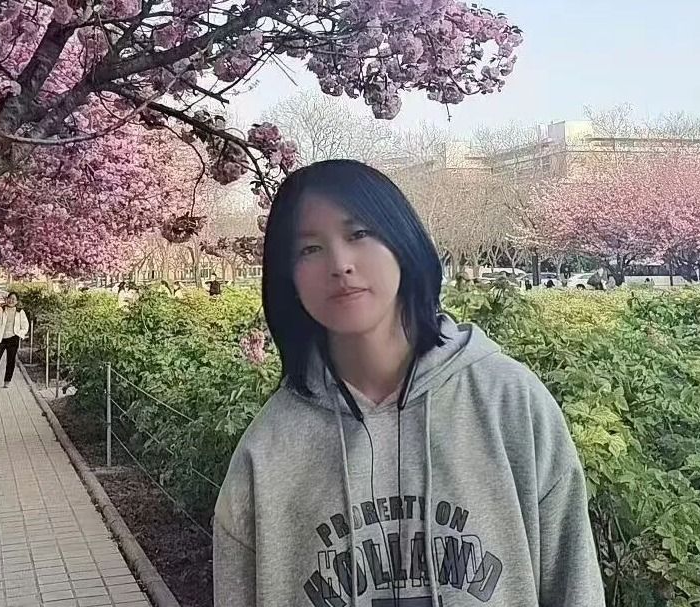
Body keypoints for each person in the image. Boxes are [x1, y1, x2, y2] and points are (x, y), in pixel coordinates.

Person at [213, 160, 603, 606]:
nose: (340, 264)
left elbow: (575, 586)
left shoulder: (509, 404)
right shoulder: (268, 450)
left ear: (403, 241)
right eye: (309, 249)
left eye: (359, 233)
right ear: (288, 279)